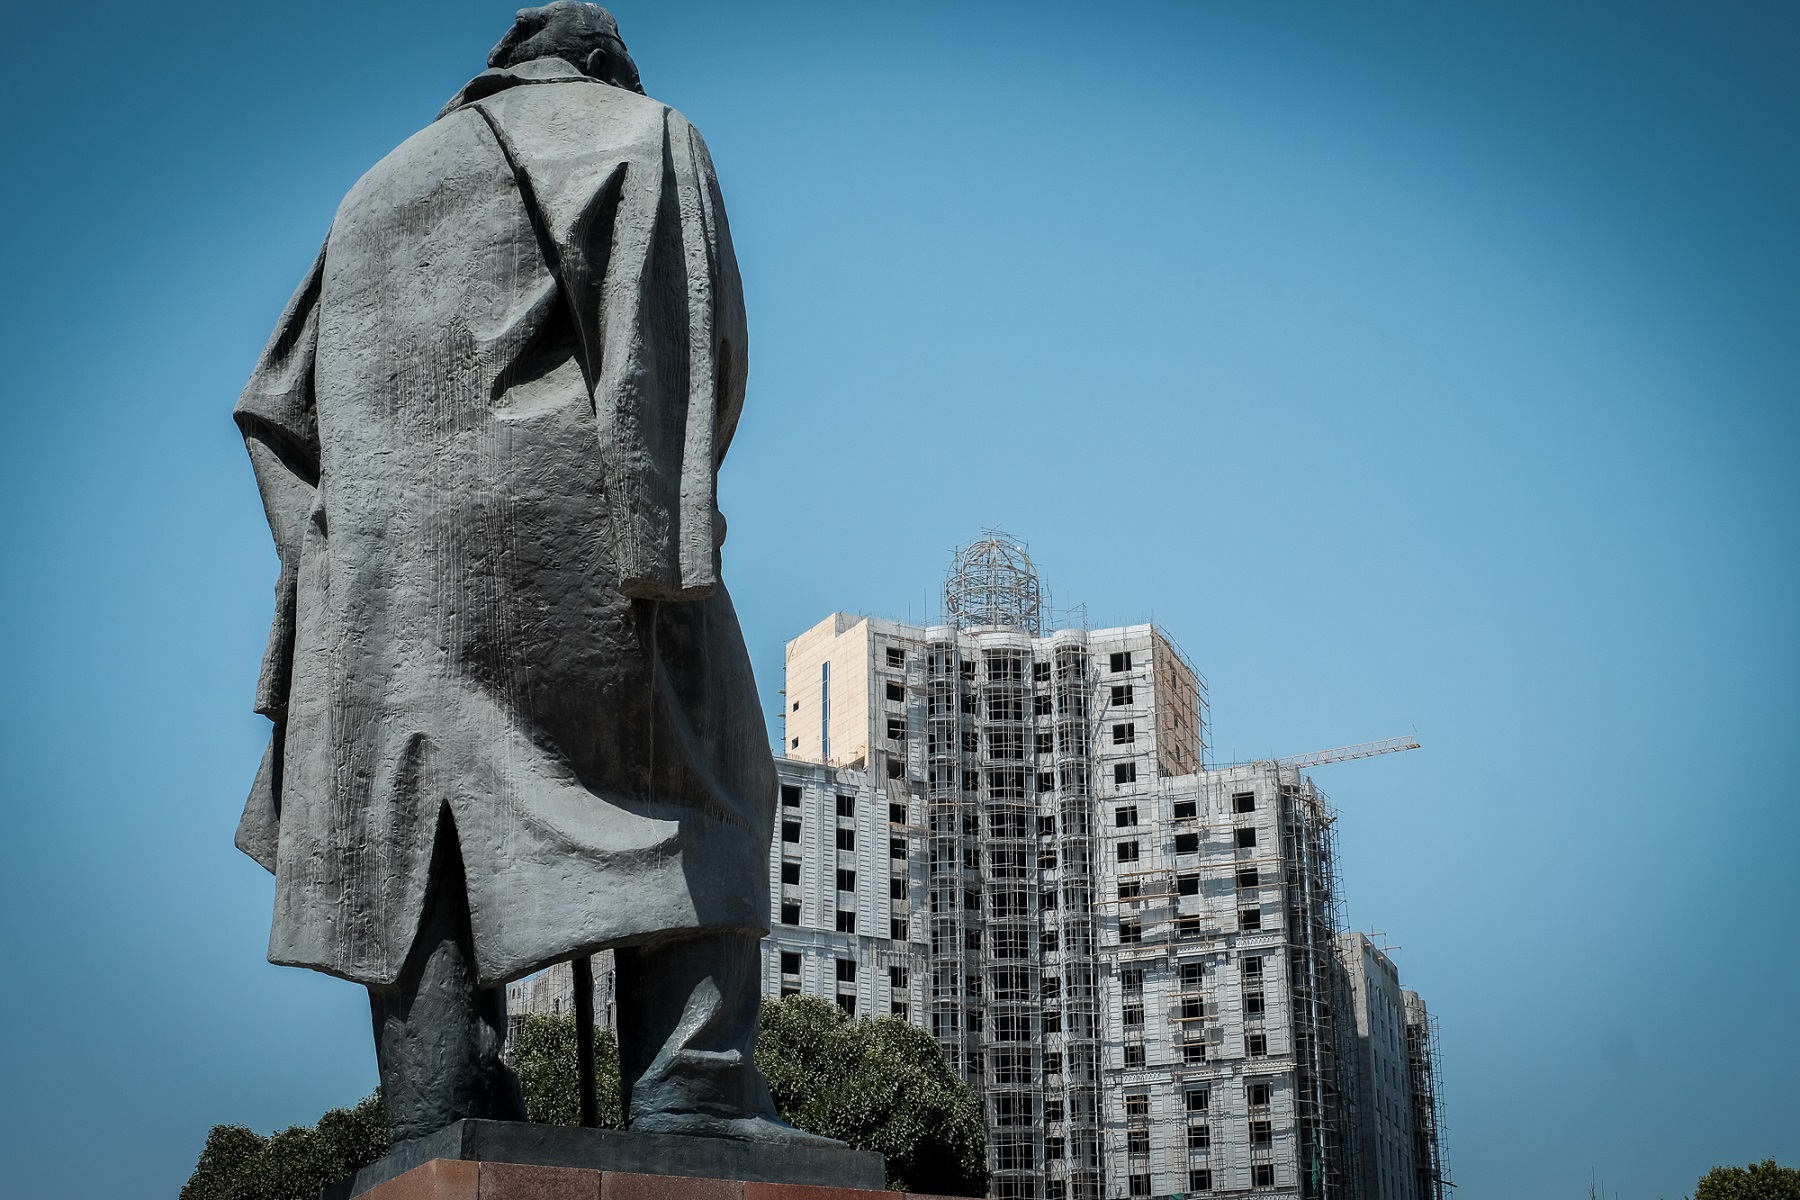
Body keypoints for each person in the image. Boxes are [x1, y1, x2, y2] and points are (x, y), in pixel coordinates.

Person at [233, 2, 813, 1148]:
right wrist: (671, 542)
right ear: (601, 64)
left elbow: (274, 410)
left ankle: (434, 1098)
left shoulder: (373, 189)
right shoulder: (639, 130)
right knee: (712, 766)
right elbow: (679, 342)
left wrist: (334, 582)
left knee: (419, 811)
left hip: (379, 565)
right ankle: (696, 1088)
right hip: (565, 521)